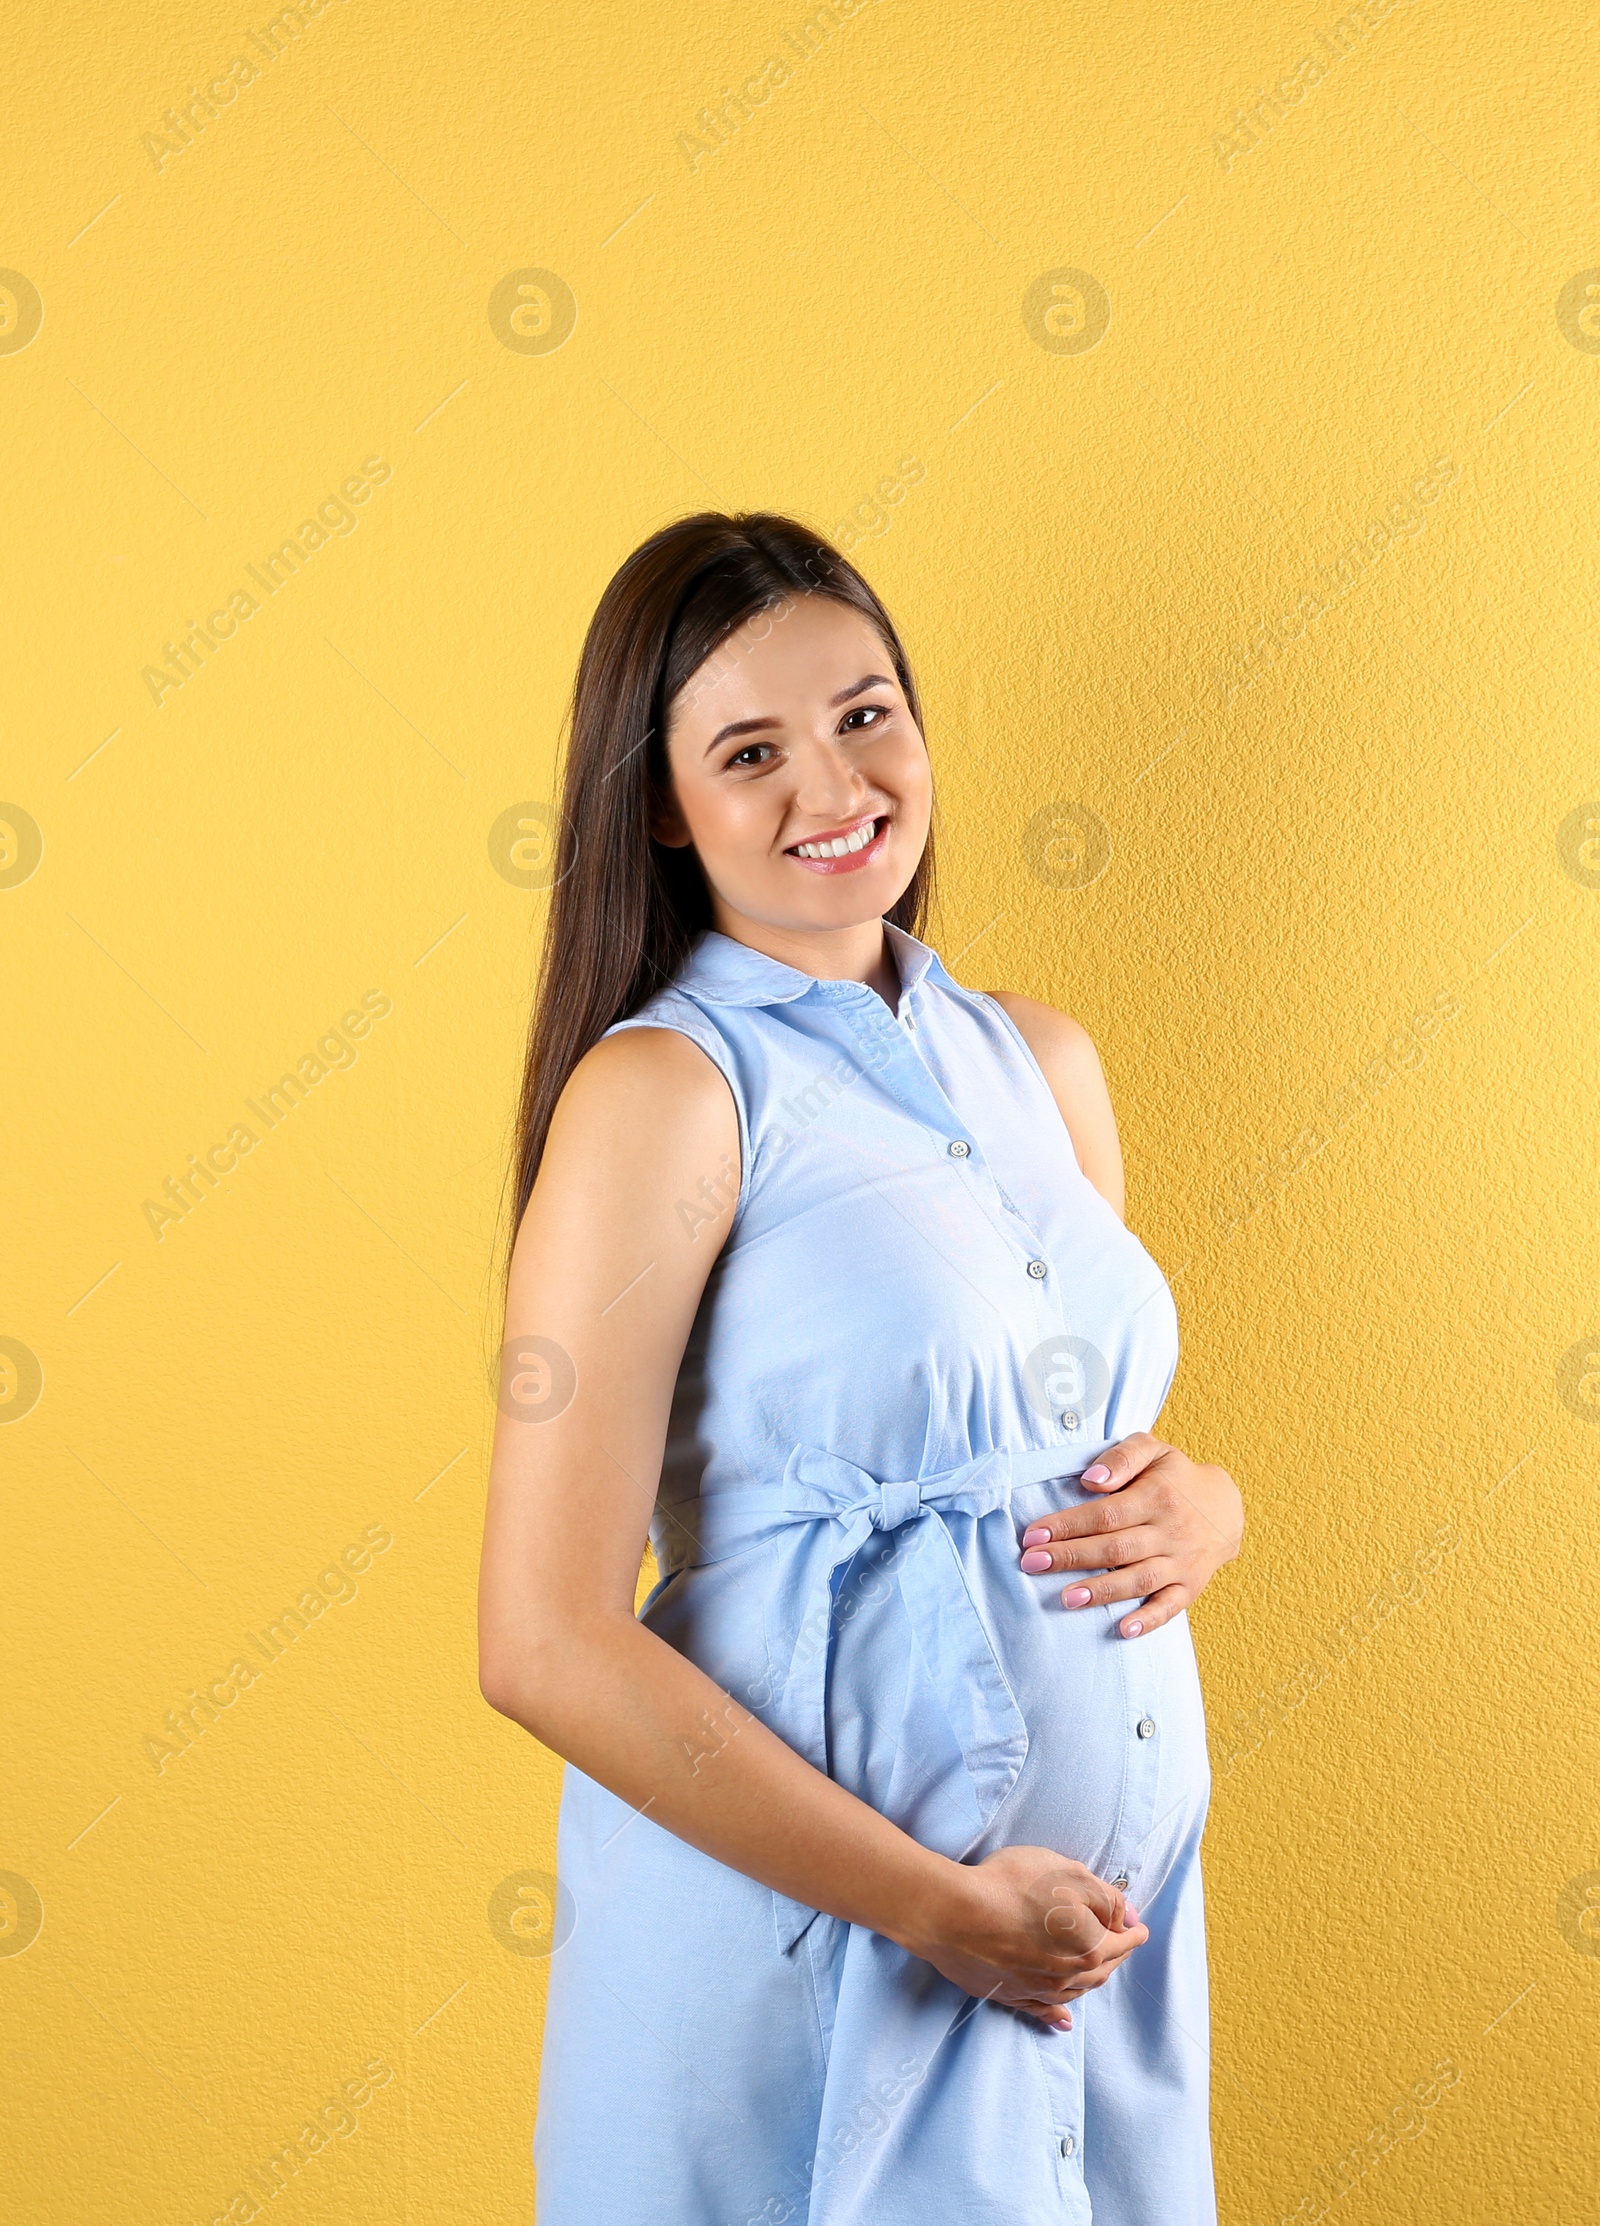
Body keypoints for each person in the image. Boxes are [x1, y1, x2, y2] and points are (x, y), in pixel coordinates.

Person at [477, 512, 1245, 2225]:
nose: (834, 781)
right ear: (664, 803)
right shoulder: (666, 1099)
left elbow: (1075, 1454)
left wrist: (1209, 1504)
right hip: (829, 1960)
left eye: (867, 712)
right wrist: (935, 1906)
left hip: (1090, 1974)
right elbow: (541, 1639)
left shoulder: (1039, 1059)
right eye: (751, 750)